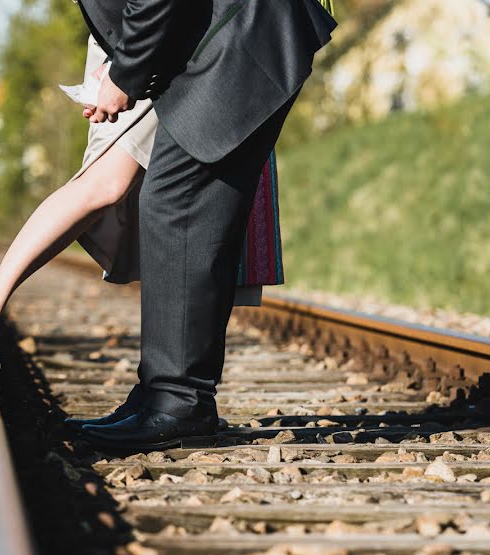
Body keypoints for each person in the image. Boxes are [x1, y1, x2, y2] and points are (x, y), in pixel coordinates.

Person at [0, 19, 294, 372]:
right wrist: (128, 66)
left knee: (217, 196)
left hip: (221, 34)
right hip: (161, 32)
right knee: (107, 180)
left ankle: (183, 394)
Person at [69, 0, 337, 450]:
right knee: (181, 202)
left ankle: (180, 403)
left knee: (177, 202)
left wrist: (126, 74)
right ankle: (164, 393)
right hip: (231, 33)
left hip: (246, 31)